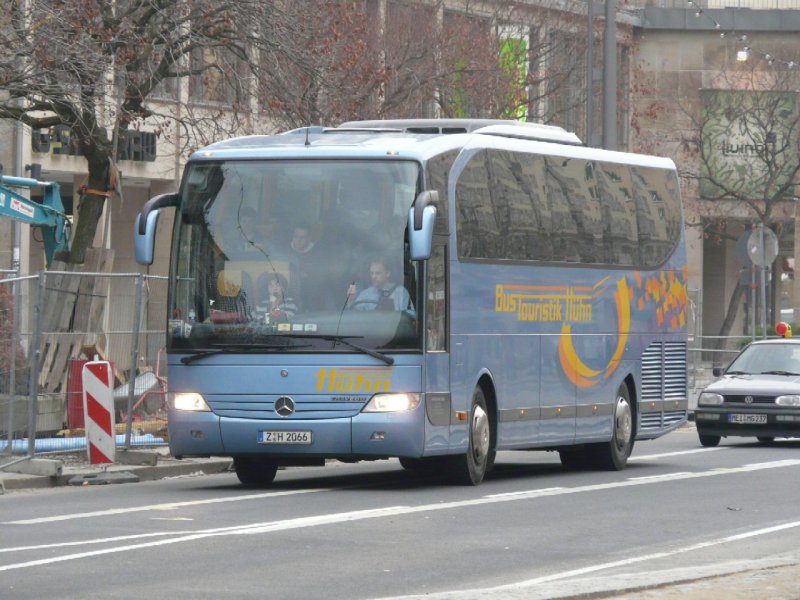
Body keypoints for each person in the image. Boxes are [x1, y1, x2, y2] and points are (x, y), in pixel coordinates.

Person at [346, 257, 414, 316]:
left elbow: (410, 316)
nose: (373, 277)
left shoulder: (400, 292)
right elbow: (354, 316)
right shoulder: (365, 294)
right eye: (372, 273)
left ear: (388, 274)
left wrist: (395, 313)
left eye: (378, 273)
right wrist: (351, 300)